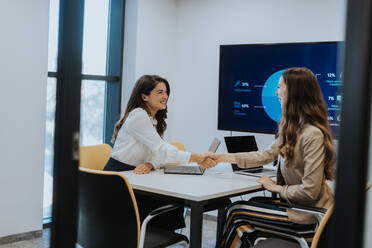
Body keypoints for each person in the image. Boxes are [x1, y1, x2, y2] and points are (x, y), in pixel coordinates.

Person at [208, 68, 336, 247]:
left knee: (237, 212)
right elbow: (264, 155)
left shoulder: (312, 134)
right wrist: (220, 157)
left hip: (309, 216)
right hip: (295, 206)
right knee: (250, 210)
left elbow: (310, 191)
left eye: (279, 87)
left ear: (293, 92)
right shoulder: (292, 128)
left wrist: (275, 188)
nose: (276, 92)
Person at [103, 74, 214, 231]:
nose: (165, 96)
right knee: (171, 204)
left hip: (133, 177)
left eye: (166, 92)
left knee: (172, 203)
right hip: (118, 179)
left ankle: (158, 239)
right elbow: (162, 149)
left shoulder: (153, 120)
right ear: (144, 96)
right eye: (159, 92)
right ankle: (154, 239)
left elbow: (158, 154)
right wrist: (196, 157)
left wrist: (150, 164)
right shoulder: (139, 116)